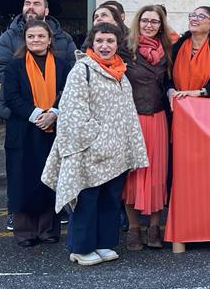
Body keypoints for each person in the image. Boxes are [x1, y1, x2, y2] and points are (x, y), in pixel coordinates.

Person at [41, 23, 149, 266]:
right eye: (100, 41)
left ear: (117, 44)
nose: (104, 46)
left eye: (110, 41)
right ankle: (81, 247)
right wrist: (95, 138)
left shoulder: (121, 72)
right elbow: (73, 112)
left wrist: (133, 146)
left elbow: (129, 113)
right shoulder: (82, 70)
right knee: (87, 199)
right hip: (90, 150)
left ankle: (103, 243)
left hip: (116, 151)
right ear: (92, 43)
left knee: (110, 199)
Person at [1, 19, 69, 246]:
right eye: (31, 36)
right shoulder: (14, 66)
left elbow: (67, 93)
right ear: (25, 40)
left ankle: (48, 229)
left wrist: (54, 113)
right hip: (24, 130)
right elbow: (11, 97)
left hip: (53, 130)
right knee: (23, 180)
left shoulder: (62, 66)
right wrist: (38, 114)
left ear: (50, 40)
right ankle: (26, 232)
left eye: (41, 36)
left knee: (50, 180)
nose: (36, 40)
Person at [123, 5, 174, 251]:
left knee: (156, 174)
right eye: (145, 20)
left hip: (158, 118)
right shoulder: (125, 49)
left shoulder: (168, 51)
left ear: (161, 25)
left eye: (155, 21)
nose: (149, 25)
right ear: (138, 22)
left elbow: (171, 81)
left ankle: (154, 226)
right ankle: (134, 228)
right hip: (133, 119)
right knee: (133, 175)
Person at [0, 0, 77, 116]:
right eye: (27, 4)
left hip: (57, 111)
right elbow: (0, 67)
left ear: (46, 11)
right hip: (18, 110)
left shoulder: (64, 38)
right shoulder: (8, 37)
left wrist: (54, 109)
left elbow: (73, 70)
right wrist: (29, 92)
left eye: (36, 4)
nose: (31, 7)